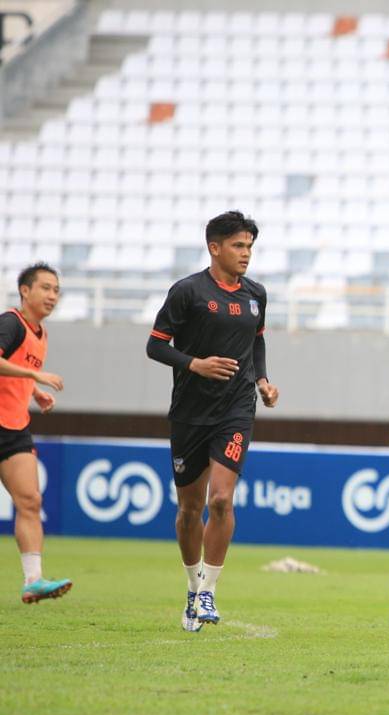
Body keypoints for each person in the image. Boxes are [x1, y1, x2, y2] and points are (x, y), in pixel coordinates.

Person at [146, 211, 279, 632]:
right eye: (239, 246)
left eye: (250, 247)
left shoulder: (256, 294)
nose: (246, 254)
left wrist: (262, 381)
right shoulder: (187, 291)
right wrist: (194, 365)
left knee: (221, 500)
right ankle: (191, 587)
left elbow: (256, 342)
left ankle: (209, 592)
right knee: (190, 509)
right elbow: (155, 346)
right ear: (215, 247)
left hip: (236, 410)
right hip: (189, 412)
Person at [0, 263, 69, 603]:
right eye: (45, 288)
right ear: (25, 291)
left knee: (30, 500)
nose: (52, 295)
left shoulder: (40, 333)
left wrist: (32, 390)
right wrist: (36, 377)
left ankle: (33, 580)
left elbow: (13, 374)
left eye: (56, 289)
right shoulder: (11, 323)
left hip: (13, 429)